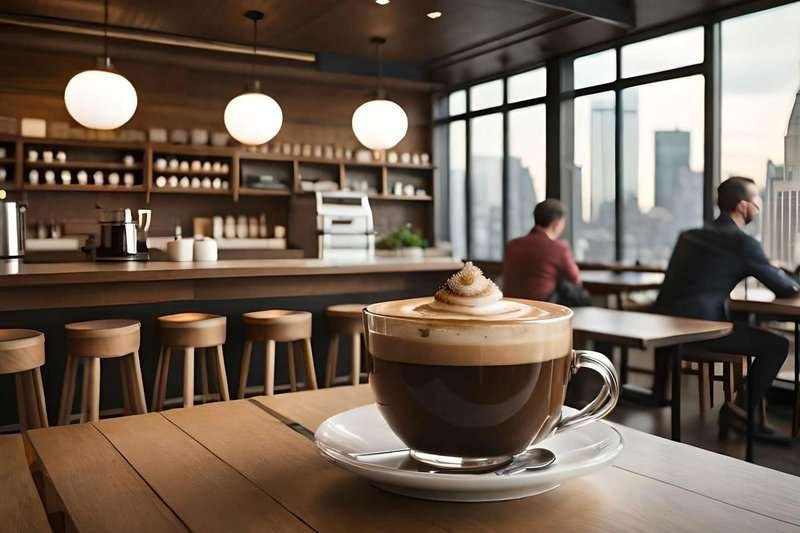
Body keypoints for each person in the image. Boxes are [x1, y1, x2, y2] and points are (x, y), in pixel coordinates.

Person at [653, 176, 800, 436]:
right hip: (704, 332)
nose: (759, 206)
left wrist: (769, 267)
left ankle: (662, 393)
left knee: (745, 325)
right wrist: (787, 274)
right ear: (743, 206)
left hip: (668, 330)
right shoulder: (743, 244)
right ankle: (738, 411)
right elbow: (785, 288)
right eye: (756, 200)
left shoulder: (689, 236)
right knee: (777, 345)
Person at [503, 199, 590, 306]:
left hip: (510, 305)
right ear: (557, 223)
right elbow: (576, 280)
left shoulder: (512, 245)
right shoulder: (558, 247)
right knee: (581, 296)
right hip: (542, 307)